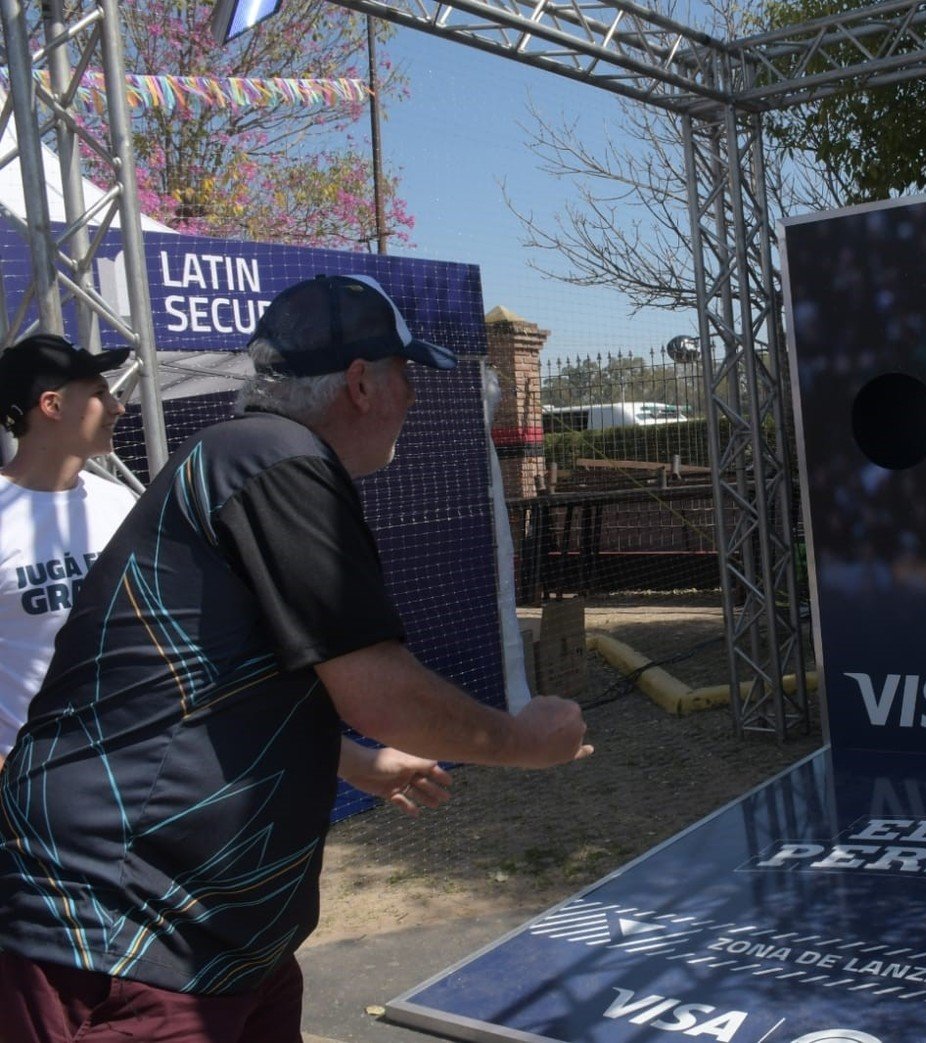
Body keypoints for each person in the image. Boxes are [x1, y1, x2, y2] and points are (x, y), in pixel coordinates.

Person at [0, 274, 592, 1042]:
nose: (413, 395)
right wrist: (524, 740)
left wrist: (348, 760)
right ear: (358, 382)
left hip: (221, 930)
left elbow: (219, 681)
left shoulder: (257, 460)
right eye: (405, 374)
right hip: (130, 925)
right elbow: (377, 689)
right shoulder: (274, 455)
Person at [0, 334, 136, 770]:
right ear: (52, 406)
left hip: (125, 770)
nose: (118, 408)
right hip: (27, 786)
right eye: (99, 394)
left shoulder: (120, 503)